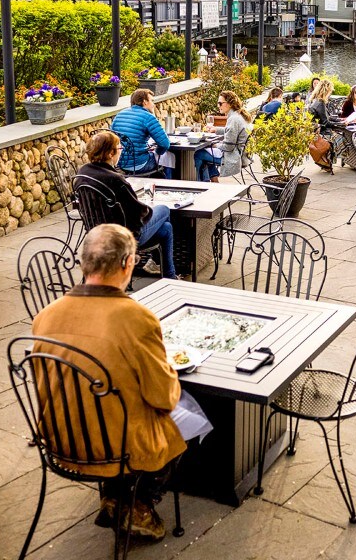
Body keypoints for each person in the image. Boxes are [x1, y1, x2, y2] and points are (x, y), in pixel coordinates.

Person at [31, 224, 210, 540]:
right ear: (128, 264)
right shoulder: (136, 318)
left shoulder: (45, 315)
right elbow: (164, 397)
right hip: (114, 449)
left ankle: (113, 496)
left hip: (61, 439)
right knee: (192, 415)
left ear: (84, 262)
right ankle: (138, 502)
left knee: (110, 404)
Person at [74, 131, 177, 279]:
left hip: (95, 233)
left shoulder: (82, 173)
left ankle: (168, 273)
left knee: (166, 228)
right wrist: (146, 205)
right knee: (164, 210)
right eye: (119, 149)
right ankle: (164, 272)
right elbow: (139, 214)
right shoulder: (116, 180)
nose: (121, 152)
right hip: (122, 237)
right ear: (110, 154)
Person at [110, 89, 172, 178]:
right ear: (145, 102)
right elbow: (165, 144)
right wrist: (157, 152)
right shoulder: (148, 117)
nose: (154, 104)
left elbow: (112, 137)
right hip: (139, 164)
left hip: (120, 162)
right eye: (152, 101)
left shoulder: (120, 114)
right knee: (168, 157)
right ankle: (168, 188)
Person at [195, 90, 251, 182]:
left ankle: (199, 184)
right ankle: (213, 183)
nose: (218, 106)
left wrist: (214, 145)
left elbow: (228, 146)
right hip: (240, 154)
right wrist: (216, 129)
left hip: (233, 157)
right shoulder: (238, 115)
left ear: (229, 104)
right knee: (207, 152)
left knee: (199, 154)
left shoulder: (233, 119)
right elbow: (231, 131)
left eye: (220, 103)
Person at [307, 80, 344, 170]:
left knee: (341, 135)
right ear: (326, 91)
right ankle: (327, 160)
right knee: (344, 138)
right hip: (322, 133)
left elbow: (327, 117)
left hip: (316, 131)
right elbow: (326, 123)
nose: (331, 93)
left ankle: (326, 161)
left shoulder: (316, 101)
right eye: (330, 90)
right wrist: (340, 125)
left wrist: (340, 120)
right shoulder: (320, 103)